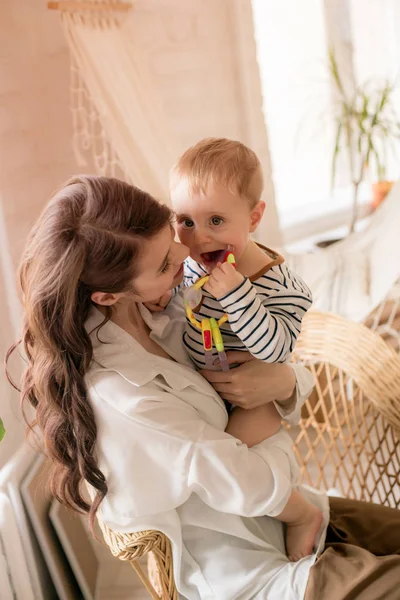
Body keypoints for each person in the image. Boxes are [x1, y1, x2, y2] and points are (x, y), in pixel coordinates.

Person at [6, 176, 400, 600]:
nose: (183, 251)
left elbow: (282, 358)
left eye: (171, 232)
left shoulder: (172, 304)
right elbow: (241, 479)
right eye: (162, 264)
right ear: (106, 297)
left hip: (290, 509)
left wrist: (283, 382)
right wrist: (300, 511)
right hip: (253, 570)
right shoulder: (122, 397)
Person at [149, 137, 321, 560]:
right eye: (185, 221)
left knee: (230, 466)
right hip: (207, 387)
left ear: (255, 216)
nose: (199, 237)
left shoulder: (281, 285)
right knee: (203, 470)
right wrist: (162, 298)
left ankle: (303, 515)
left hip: (253, 402)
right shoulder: (190, 265)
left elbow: (276, 347)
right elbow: (185, 310)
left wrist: (238, 294)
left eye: (217, 221)